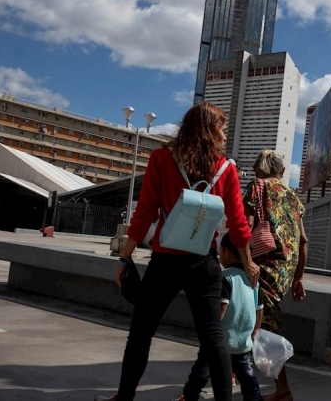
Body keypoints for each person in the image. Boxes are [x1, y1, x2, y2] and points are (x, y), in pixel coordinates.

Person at [97, 102, 259, 401]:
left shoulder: (162, 158)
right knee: (213, 337)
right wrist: (247, 263)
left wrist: (125, 256)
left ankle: (124, 398)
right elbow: (238, 226)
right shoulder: (225, 169)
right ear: (210, 131)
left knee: (142, 333)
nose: (224, 133)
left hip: (165, 261)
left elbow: (144, 212)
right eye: (221, 128)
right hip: (203, 261)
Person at [243, 150, 308, 401]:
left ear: (258, 169)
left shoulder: (257, 186)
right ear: (281, 171)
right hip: (285, 271)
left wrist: (244, 261)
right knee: (257, 322)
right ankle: (233, 372)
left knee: (264, 328)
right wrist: (298, 278)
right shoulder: (292, 194)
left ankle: (283, 391)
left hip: (263, 267)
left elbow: (246, 228)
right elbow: (303, 241)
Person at [175, 232, 263, 401]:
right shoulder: (254, 280)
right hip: (243, 340)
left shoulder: (224, 278)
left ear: (225, 251)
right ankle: (254, 397)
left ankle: (189, 396)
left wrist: (210, 329)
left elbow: (221, 307)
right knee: (246, 374)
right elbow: (259, 309)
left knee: (202, 371)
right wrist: (256, 329)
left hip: (220, 341)